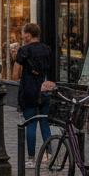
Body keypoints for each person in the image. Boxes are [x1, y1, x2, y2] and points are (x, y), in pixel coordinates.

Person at [13, 22, 54, 166]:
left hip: (29, 90)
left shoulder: (23, 50)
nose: (22, 36)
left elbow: (15, 75)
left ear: (28, 35)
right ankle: (49, 155)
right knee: (44, 122)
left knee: (30, 123)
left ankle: (31, 159)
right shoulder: (47, 49)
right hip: (45, 89)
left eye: (23, 34)